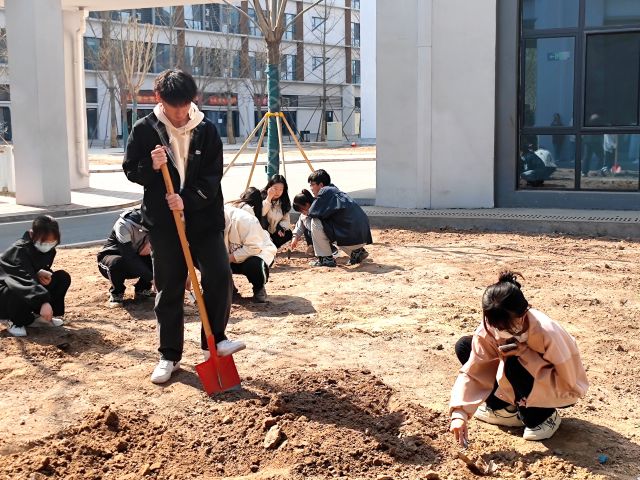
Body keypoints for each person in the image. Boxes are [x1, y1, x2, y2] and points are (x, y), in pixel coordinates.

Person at [123, 68, 244, 385]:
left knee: (219, 275)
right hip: (164, 224)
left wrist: (186, 199)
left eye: (185, 106)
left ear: (194, 100)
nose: (179, 114)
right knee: (170, 287)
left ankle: (215, 341)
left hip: (204, 219)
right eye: (173, 106)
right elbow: (131, 171)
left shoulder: (206, 130)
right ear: (159, 98)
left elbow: (213, 177)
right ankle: (169, 355)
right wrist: (150, 166)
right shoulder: (144, 129)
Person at [449, 272, 588, 445]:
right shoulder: (489, 328)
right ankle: (505, 410)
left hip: (558, 387)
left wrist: (526, 354)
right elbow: (475, 370)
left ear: (523, 313)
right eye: (494, 325)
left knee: (513, 362)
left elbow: (570, 381)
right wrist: (459, 413)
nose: (499, 332)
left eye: (508, 326)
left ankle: (542, 417)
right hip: (514, 383)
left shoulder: (548, 331)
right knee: (465, 346)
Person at [0, 216, 70, 337]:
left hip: (26, 282)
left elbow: (32, 271)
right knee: (17, 288)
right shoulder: (19, 250)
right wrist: (43, 301)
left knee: (61, 277)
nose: (48, 245)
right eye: (44, 242)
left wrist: (40, 273)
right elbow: (22, 279)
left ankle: (38, 317)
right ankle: (14, 320)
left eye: (52, 242)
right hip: (7, 290)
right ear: (32, 234)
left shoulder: (50, 251)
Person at [307, 169, 372, 267]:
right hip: (362, 236)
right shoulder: (335, 190)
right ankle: (357, 252)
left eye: (312, 185)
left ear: (320, 185)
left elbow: (312, 212)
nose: (311, 188)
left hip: (351, 237)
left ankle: (325, 259)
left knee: (316, 222)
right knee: (333, 222)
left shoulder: (325, 191)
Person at [97, 207, 155, 307]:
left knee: (157, 258)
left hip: (136, 257)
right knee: (117, 262)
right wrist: (153, 279)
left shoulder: (155, 224)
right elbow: (129, 256)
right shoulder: (124, 225)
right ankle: (117, 293)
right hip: (112, 258)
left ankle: (143, 289)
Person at [224, 204, 277, 303]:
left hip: (257, 254)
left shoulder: (244, 220)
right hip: (229, 257)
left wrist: (226, 259)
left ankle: (259, 287)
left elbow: (254, 248)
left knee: (254, 264)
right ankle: (230, 289)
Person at [261, 174, 293, 249]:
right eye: (275, 188)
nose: (277, 192)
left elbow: (285, 219)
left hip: (274, 231)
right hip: (263, 231)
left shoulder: (284, 201)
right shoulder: (262, 197)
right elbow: (262, 212)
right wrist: (269, 198)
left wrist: (280, 228)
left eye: (281, 189)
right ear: (269, 187)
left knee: (288, 234)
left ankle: (270, 247)